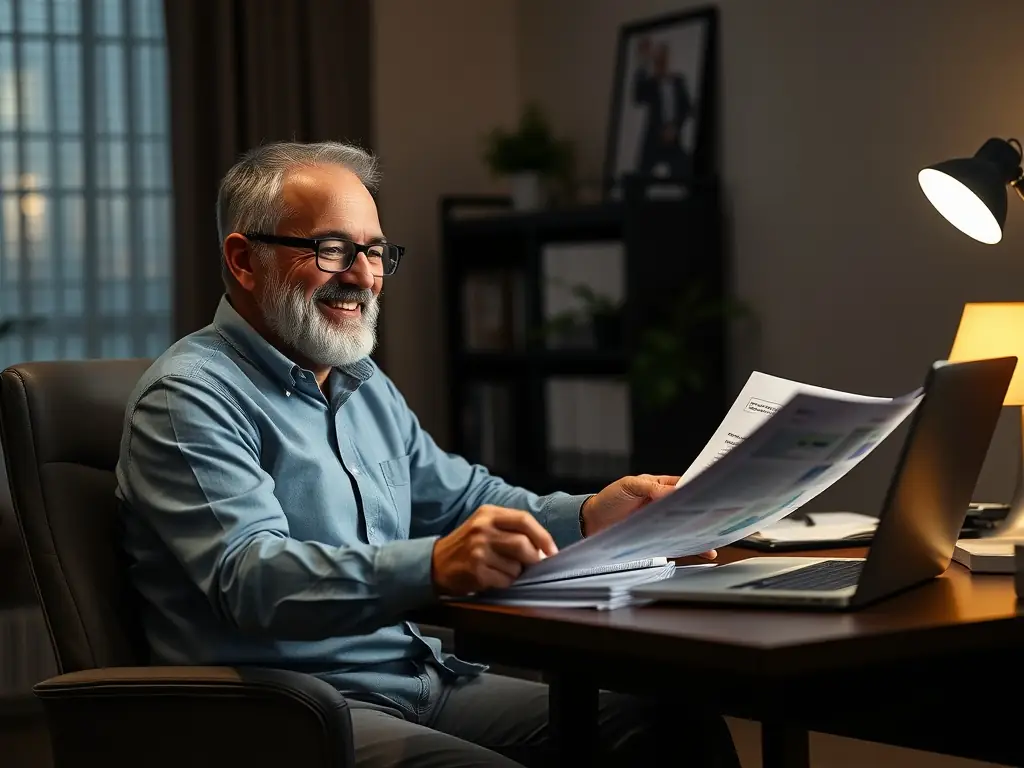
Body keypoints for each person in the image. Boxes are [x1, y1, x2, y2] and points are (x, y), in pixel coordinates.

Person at [114, 140, 740, 767]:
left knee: (669, 727)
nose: (363, 275)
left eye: (376, 251)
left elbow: (463, 500)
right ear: (244, 260)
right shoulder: (190, 397)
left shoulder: (360, 380)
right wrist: (435, 564)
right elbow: (251, 579)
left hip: (418, 678)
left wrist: (589, 516)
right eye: (332, 249)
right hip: (287, 710)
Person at [632, 37, 693, 179]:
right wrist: (642, 63)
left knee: (685, 172)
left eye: (663, 57)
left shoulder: (678, 81)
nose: (661, 61)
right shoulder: (650, 83)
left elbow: (688, 108)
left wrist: (674, 128)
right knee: (640, 180)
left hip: (674, 140)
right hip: (652, 140)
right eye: (657, 58)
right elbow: (638, 97)